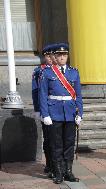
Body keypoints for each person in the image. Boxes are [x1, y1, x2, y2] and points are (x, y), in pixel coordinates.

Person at [40, 43, 83, 184]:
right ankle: (58, 173)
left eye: (64, 55)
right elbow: (43, 94)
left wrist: (80, 113)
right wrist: (45, 114)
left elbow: (78, 95)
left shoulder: (74, 72)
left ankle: (68, 172)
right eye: (59, 55)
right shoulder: (47, 73)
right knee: (56, 144)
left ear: (67, 56)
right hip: (54, 112)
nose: (62, 57)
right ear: (55, 57)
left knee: (69, 144)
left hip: (70, 113)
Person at [32, 44, 55, 177]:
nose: (50, 58)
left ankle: (57, 164)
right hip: (44, 109)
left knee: (57, 139)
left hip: (57, 109)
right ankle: (50, 164)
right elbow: (36, 91)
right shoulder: (38, 71)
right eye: (47, 55)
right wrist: (37, 109)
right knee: (48, 139)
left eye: (52, 55)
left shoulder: (61, 71)